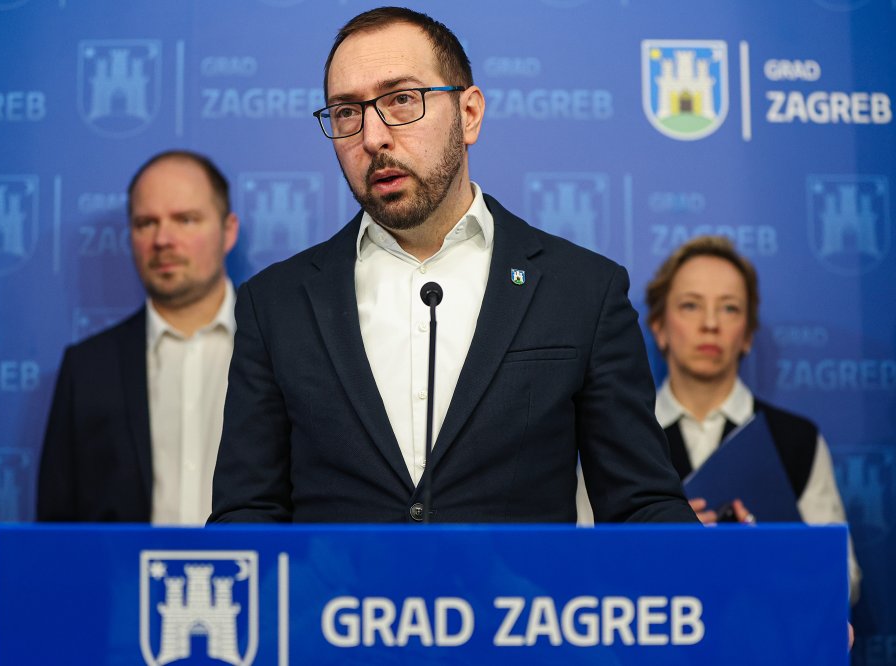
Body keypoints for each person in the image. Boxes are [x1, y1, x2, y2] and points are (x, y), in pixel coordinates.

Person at [209, 7, 696, 524]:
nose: (372, 137)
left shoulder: (581, 290)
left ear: (469, 114)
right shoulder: (276, 304)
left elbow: (641, 506)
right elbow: (247, 516)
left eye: (401, 99)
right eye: (347, 111)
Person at [577, 235, 861, 602]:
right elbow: (580, 565)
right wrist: (669, 536)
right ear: (659, 327)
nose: (710, 323)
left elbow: (845, 578)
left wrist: (767, 551)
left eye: (729, 308)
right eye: (691, 305)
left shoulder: (797, 440)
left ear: (748, 333)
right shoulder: (612, 434)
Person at [38, 150, 240, 524]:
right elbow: (56, 529)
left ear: (228, 231)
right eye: (146, 223)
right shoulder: (87, 368)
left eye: (185, 219)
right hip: (123, 566)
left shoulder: (282, 347)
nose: (162, 239)